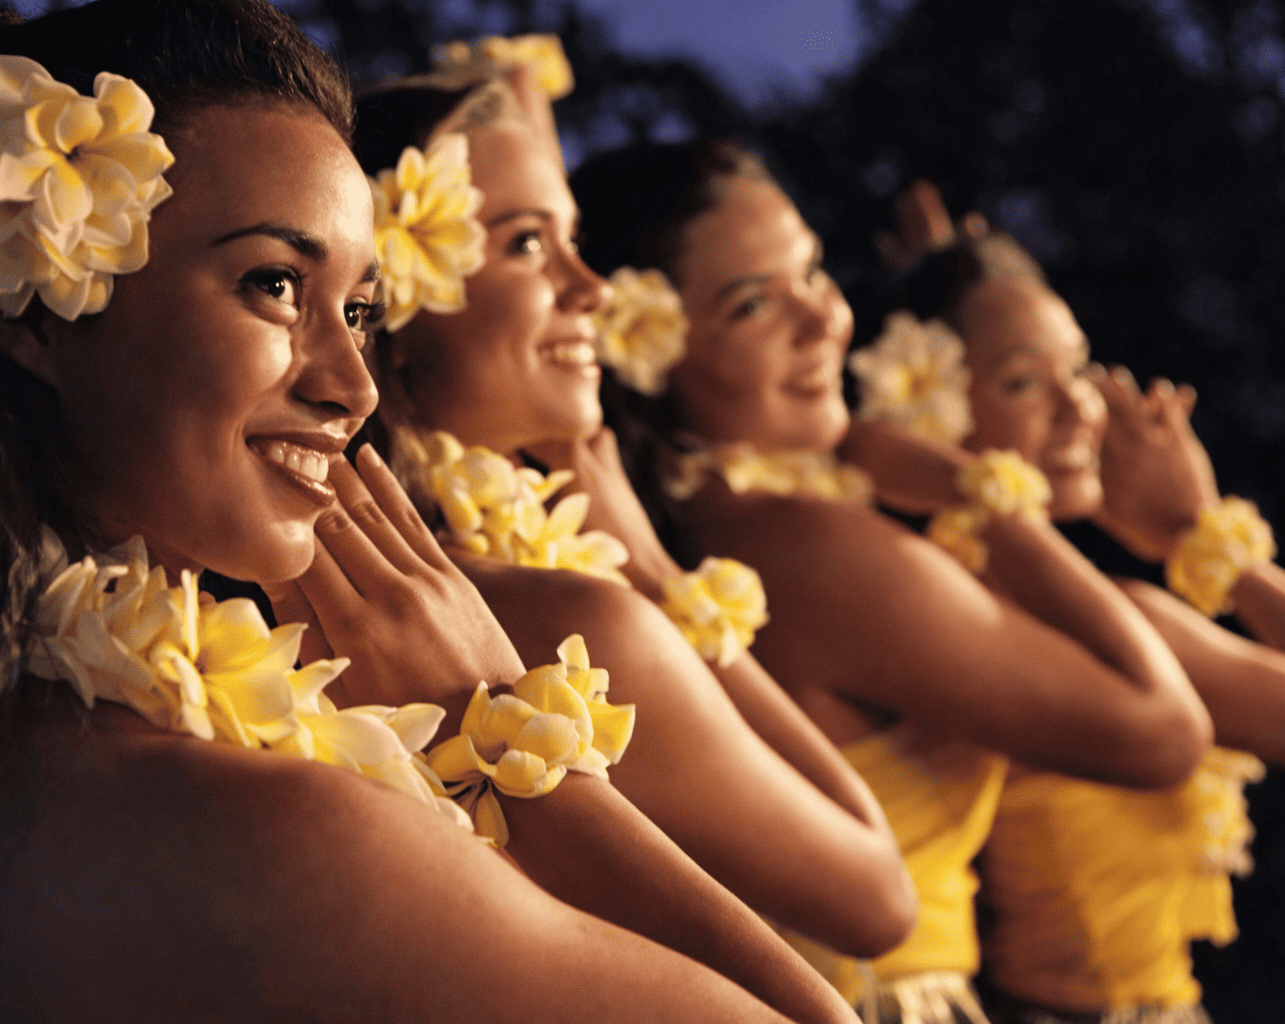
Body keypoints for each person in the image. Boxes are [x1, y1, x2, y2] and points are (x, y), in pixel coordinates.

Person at [0, 3, 858, 1020]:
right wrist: (512, 734)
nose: (353, 383)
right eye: (275, 283)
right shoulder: (280, 831)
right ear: (27, 310)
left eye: (361, 308)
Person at [569, 140, 1212, 1024]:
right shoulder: (810, 549)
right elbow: (1164, 730)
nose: (824, 319)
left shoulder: (703, 533)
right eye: (753, 304)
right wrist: (974, 491)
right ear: (645, 348)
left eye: (812, 271)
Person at [348, 61, 917, 958]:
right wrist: (651, 573)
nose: (593, 287)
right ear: (385, 306)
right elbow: (881, 898)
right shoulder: (580, 627)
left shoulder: (338, 588)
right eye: (529, 243)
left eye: (573, 238)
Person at [878, 185, 1285, 1024]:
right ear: (938, 409)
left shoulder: (936, 592)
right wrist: (1201, 536)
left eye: (1081, 366)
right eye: (1027, 381)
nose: (1079, 407)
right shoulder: (1070, 624)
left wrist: (956, 276)